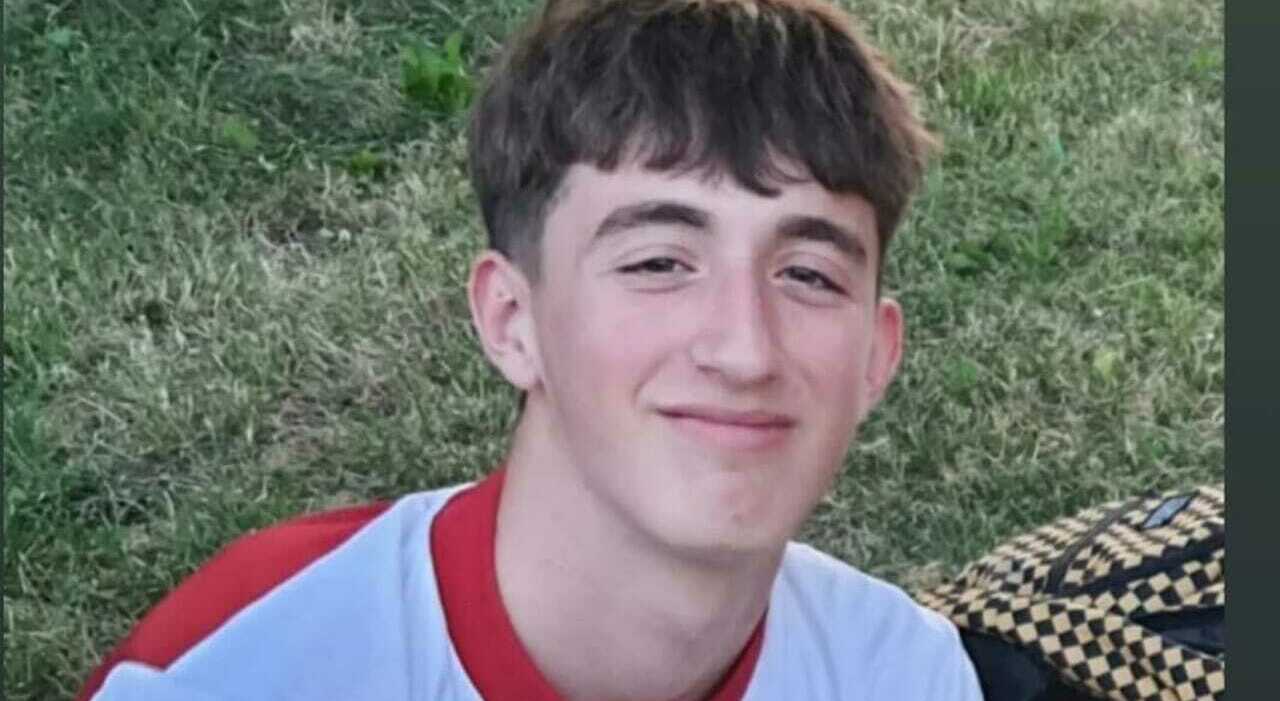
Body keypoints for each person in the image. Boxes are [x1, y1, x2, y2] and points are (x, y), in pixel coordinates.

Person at [79, 1, 982, 699]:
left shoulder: (901, 673)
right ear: (512, 320)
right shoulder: (242, 670)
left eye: (810, 274)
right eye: (658, 262)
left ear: (876, 357)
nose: (745, 349)